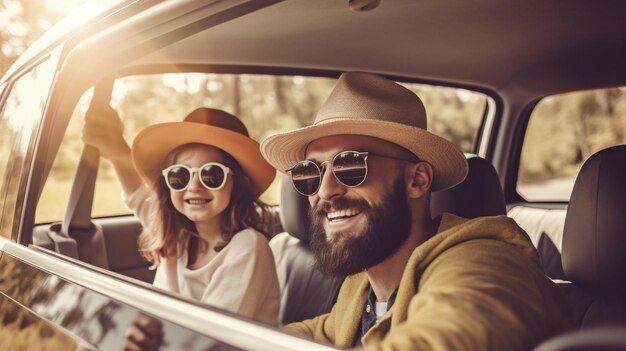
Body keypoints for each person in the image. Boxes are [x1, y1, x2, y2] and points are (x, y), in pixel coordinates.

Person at [259, 71, 570, 350]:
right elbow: (315, 332)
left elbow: (449, 336)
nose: (325, 190)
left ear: (417, 180)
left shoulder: (488, 262)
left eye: (350, 165)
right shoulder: (362, 284)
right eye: (310, 173)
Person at [83, 107, 280, 326]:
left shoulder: (248, 248)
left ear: (237, 183)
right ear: (168, 184)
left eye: (211, 175)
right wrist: (115, 147)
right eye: (180, 175)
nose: (194, 187)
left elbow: (207, 338)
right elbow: (139, 195)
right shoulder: (176, 234)